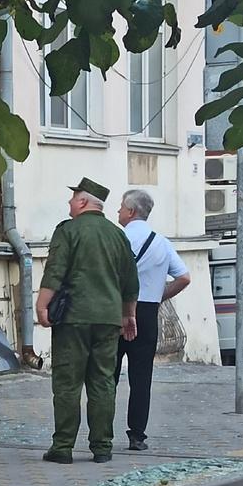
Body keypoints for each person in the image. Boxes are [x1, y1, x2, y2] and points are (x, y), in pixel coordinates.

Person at [36, 178, 139, 464]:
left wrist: (42, 304)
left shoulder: (68, 231)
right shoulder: (118, 235)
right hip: (108, 319)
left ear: (82, 202)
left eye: (72, 199)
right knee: (103, 381)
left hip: (73, 319)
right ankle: (102, 447)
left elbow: (55, 271)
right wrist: (128, 314)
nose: (69, 203)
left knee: (68, 383)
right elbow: (131, 281)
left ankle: (63, 447)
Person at [114, 189, 190, 451]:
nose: (118, 212)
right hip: (147, 313)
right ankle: (137, 436)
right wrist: (159, 295)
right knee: (141, 376)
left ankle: (102, 434)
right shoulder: (161, 242)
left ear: (131, 211)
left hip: (116, 311)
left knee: (106, 375)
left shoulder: (117, 238)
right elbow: (184, 277)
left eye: (121, 208)